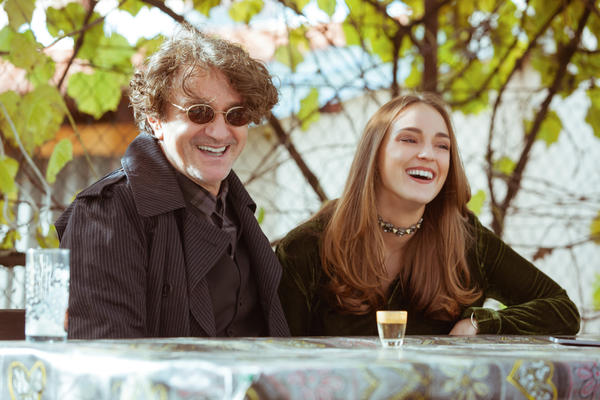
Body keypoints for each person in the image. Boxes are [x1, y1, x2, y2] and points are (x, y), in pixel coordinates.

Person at [276, 93, 580, 336]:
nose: (428, 154)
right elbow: (279, 359)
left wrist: (481, 323)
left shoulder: (466, 239)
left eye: (442, 146)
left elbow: (562, 310)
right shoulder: (307, 247)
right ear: (374, 155)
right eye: (409, 139)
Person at [55, 25, 289, 339]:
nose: (219, 132)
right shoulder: (105, 213)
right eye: (199, 112)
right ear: (155, 119)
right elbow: (108, 359)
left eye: (236, 114)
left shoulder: (236, 208)